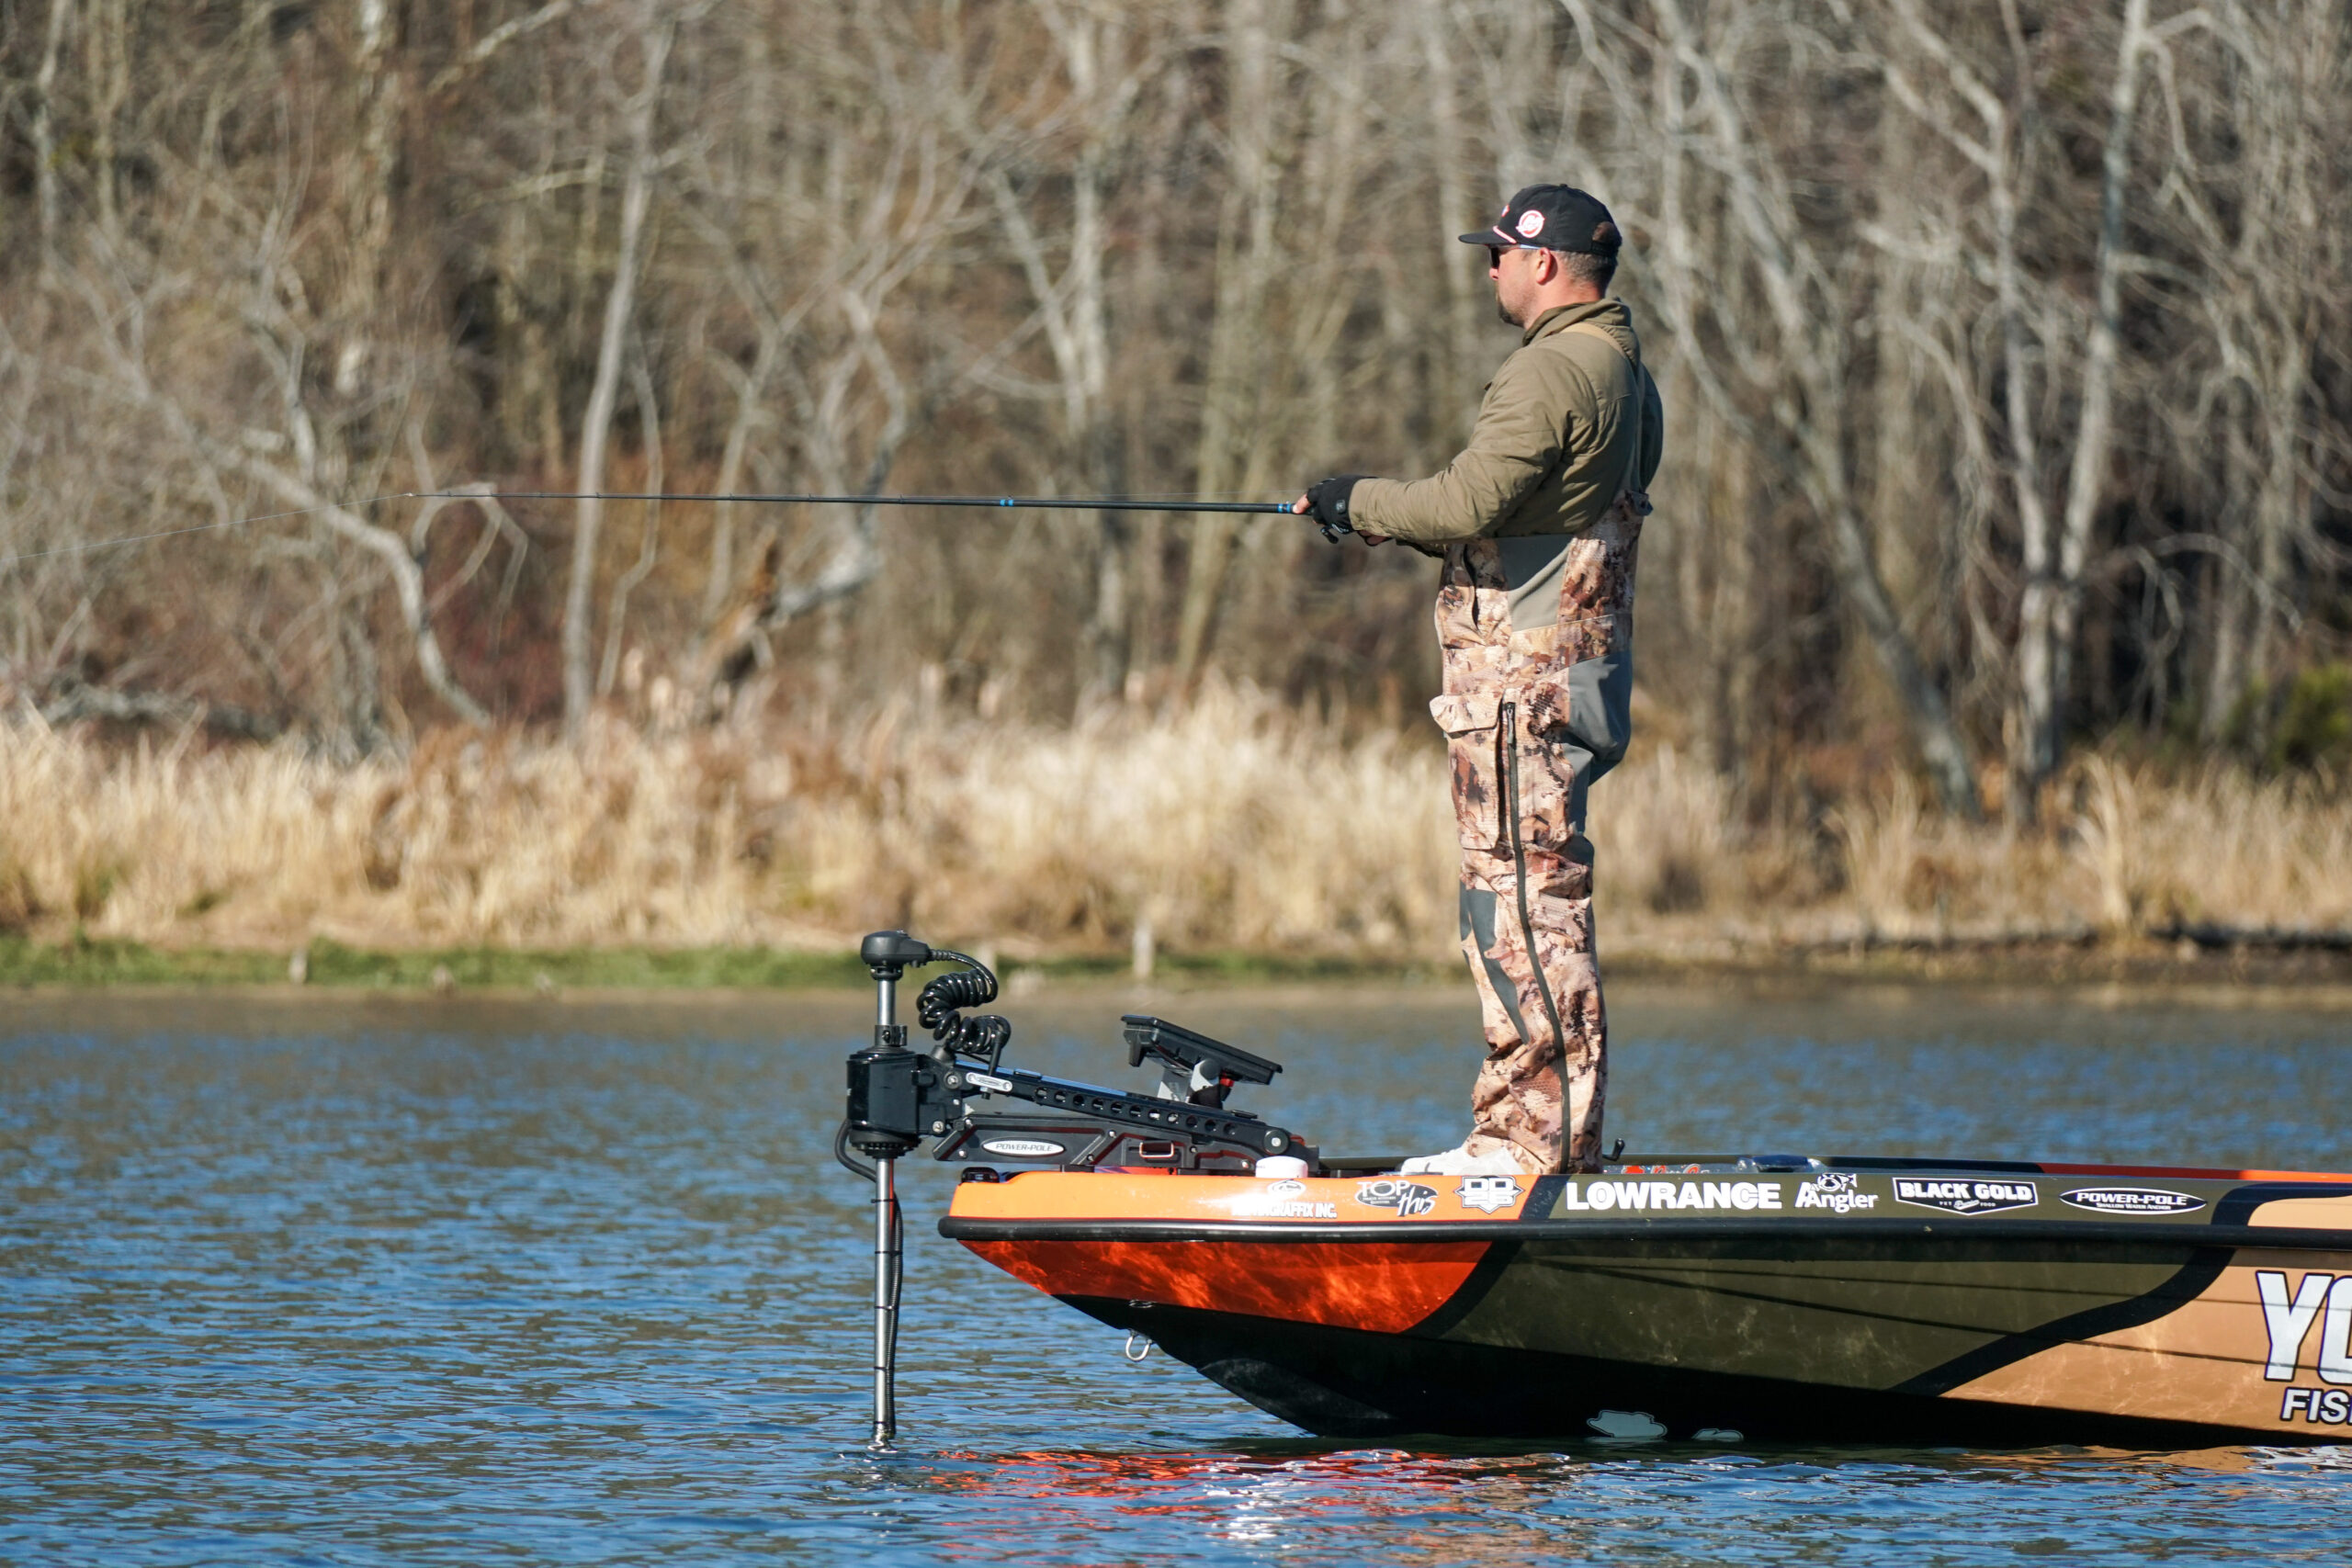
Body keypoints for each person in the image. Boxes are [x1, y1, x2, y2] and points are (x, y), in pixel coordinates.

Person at [1295, 185, 1663, 1179]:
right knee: (1543, 898)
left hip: (1519, 688)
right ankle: (1554, 1140)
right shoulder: (1625, 367)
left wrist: (1351, 500)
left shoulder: (1552, 371)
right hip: (1574, 674)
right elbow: (1536, 517)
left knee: (1515, 909)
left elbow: (1468, 500)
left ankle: (1522, 1146)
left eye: (1498, 253)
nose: (1489, 268)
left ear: (1543, 264)